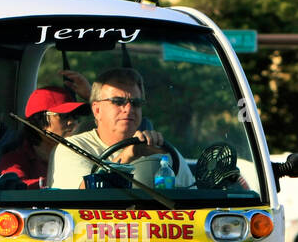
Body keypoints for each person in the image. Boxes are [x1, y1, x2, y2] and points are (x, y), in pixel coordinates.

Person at [48, 67, 194, 190]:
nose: (129, 109)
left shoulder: (163, 151)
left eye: (136, 103)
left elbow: (193, 197)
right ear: (97, 110)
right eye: (118, 102)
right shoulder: (72, 148)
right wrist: (127, 156)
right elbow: (78, 198)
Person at [0, 85, 89, 188]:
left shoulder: (83, 154)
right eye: (64, 116)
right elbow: (17, 187)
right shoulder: (14, 159)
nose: (72, 122)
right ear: (39, 120)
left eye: (75, 116)